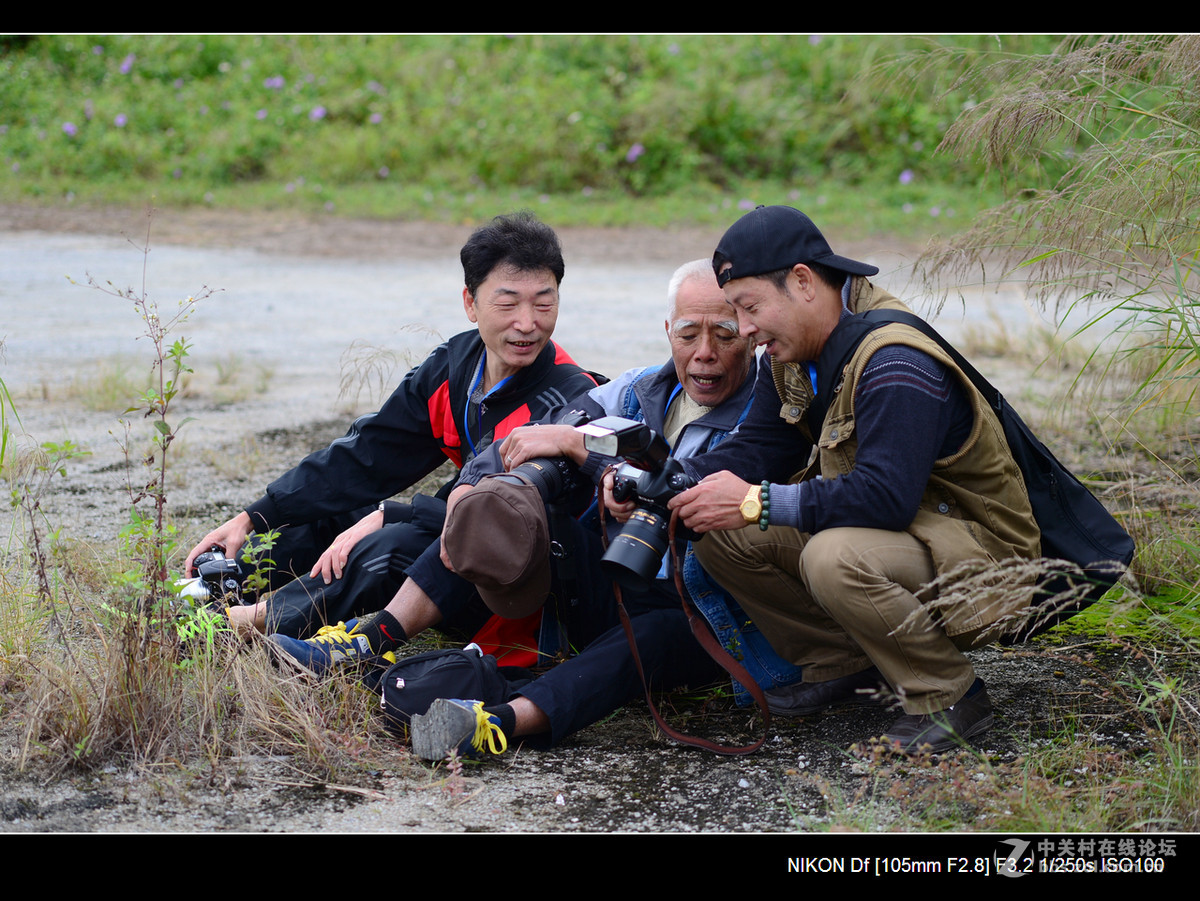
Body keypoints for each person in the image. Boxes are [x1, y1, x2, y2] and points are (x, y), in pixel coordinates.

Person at [270, 259, 804, 756]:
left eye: (724, 334)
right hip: (613, 578)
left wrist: (587, 455)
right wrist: (470, 491)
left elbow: (683, 484)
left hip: (700, 611)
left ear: (752, 336)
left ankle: (496, 723)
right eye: (689, 334)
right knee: (501, 512)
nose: (704, 352)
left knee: (655, 635)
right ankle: (370, 640)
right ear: (669, 332)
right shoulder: (642, 387)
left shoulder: (768, 414)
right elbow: (523, 440)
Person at [666, 205, 1041, 754]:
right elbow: (763, 446)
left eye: (749, 309)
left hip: (987, 559)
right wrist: (676, 483)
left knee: (833, 557)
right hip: (910, 537)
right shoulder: (792, 352)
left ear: (802, 281)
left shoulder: (894, 361)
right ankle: (844, 665)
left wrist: (753, 501)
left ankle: (950, 695)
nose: (744, 331)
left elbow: (884, 499)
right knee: (718, 532)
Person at [183, 212, 601, 644]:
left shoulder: (567, 399)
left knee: (388, 546)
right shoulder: (455, 365)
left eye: (544, 304)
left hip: (520, 589)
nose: (528, 323)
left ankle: (244, 624)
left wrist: (389, 515)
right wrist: (251, 517)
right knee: (332, 509)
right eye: (508, 303)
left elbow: (493, 520)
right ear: (470, 303)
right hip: (452, 546)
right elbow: (366, 456)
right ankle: (206, 590)